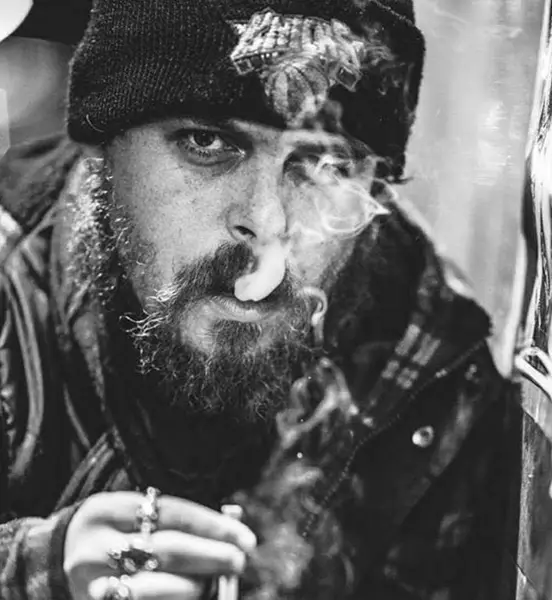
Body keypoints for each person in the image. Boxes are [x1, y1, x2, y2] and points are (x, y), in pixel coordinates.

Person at [0, 1, 522, 599]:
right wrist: (33, 570)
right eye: (206, 142)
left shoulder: (429, 376)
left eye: (324, 164)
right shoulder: (11, 290)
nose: (266, 221)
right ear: (103, 146)